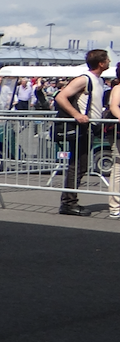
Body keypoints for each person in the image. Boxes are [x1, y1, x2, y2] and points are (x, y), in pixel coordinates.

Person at [53, 49, 110, 216]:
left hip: (90, 127)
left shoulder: (98, 80)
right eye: (107, 59)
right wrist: (77, 115)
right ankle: (68, 203)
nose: (108, 62)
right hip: (82, 128)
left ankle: (69, 201)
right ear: (101, 63)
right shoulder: (85, 79)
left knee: (80, 165)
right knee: (77, 165)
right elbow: (60, 97)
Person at [108, 80, 120, 220]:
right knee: (118, 167)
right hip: (117, 133)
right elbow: (114, 106)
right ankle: (115, 206)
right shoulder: (118, 88)